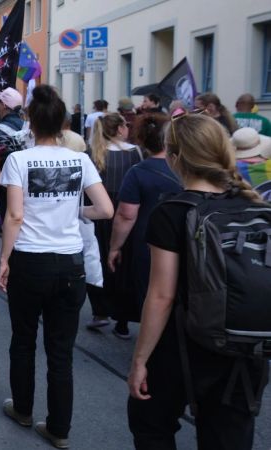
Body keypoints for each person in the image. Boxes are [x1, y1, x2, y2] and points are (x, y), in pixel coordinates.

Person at [127, 113, 270, 450]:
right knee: (229, 437)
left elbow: (161, 296)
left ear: (175, 158)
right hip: (245, 349)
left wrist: (139, 360)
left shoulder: (172, 212)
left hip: (181, 346)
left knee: (151, 426)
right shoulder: (254, 204)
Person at [0, 84, 113, 449]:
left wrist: (4, 260)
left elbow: (15, 215)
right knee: (61, 351)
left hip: (30, 260)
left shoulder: (19, 160)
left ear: (29, 121)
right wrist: (75, 211)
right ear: (63, 123)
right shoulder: (80, 160)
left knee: (24, 339)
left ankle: (24, 409)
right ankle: (59, 428)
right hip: (70, 264)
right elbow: (106, 210)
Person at [107, 113, 180, 329]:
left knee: (151, 291)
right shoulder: (183, 167)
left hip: (145, 239)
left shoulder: (138, 171)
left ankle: (150, 341)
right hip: (181, 236)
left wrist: (114, 247)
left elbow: (126, 215)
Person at [85, 113, 143, 338]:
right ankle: (123, 318)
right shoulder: (134, 153)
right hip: (126, 211)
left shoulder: (92, 153)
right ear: (120, 129)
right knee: (123, 264)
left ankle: (100, 311)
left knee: (96, 260)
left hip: (98, 214)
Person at [0, 87, 27, 224]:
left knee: (9, 220)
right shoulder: (28, 128)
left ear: (4, 105)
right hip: (28, 183)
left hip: (6, 185)